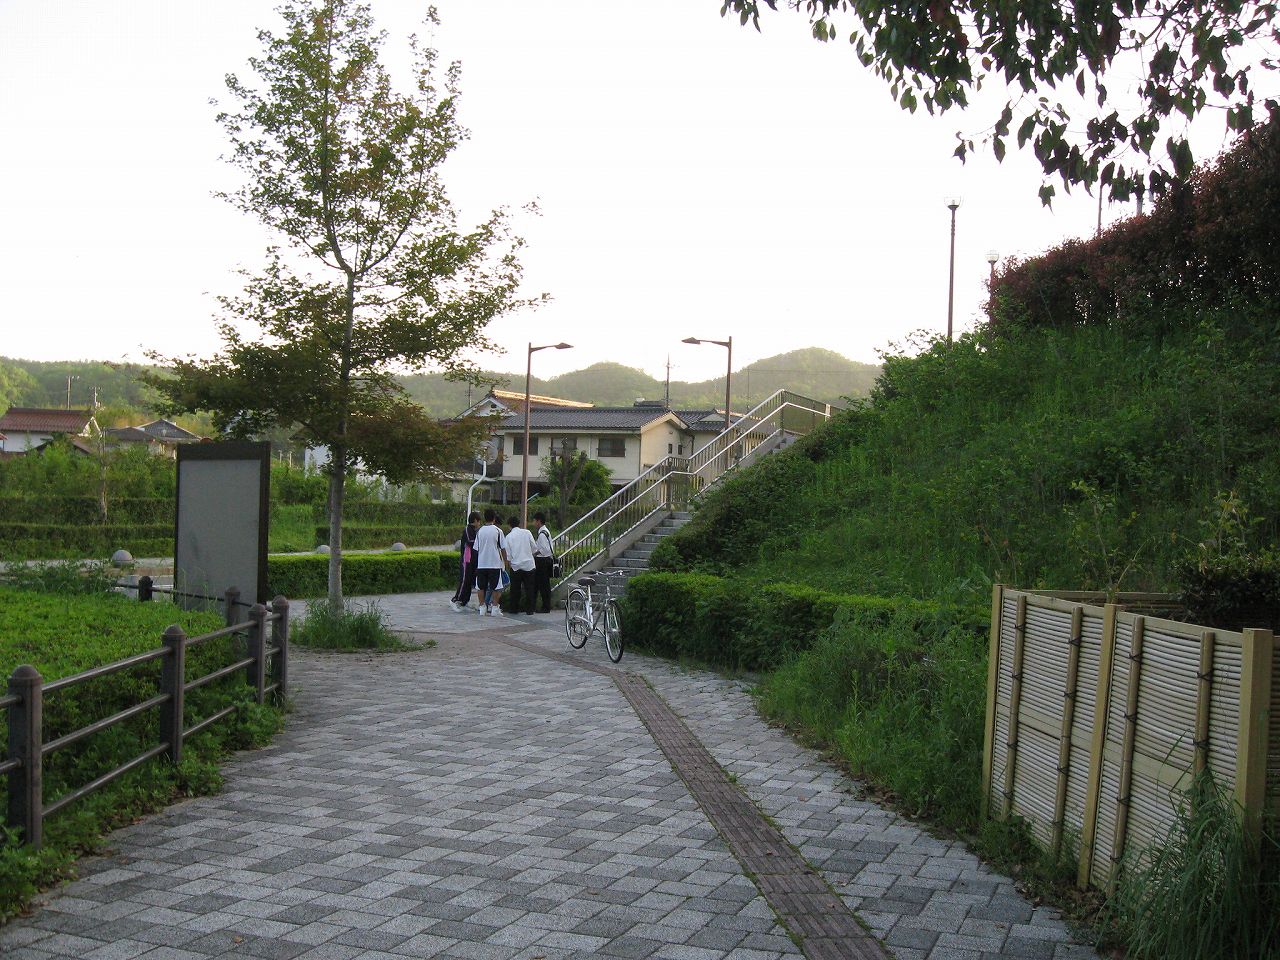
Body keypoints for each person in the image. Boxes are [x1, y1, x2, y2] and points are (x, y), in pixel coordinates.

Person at [473, 509, 507, 616]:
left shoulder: (480, 531)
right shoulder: (498, 531)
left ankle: (482, 607)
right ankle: (495, 608)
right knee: (496, 587)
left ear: (484, 518)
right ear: (494, 518)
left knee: (480, 587)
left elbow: (476, 549)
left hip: (482, 563)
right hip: (495, 564)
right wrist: (505, 561)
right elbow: (503, 548)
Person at [504, 515, 537, 615]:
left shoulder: (508, 537)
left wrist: (509, 563)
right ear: (519, 524)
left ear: (509, 525)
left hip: (516, 566)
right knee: (529, 589)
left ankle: (514, 609)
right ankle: (530, 609)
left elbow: (508, 555)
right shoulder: (527, 532)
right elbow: (534, 548)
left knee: (515, 589)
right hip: (529, 565)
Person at [450, 511, 481, 612]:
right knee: (464, 580)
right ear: (475, 520)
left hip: (472, 560)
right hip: (466, 560)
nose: (479, 524)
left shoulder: (474, 531)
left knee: (469, 581)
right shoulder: (468, 529)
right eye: (479, 521)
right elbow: (470, 542)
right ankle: (456, 600)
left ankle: (464, 601)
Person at [531, 511, 555, 614]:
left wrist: (535, 553)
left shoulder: (542, 534)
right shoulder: (545, 531)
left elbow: (544, 549)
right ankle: (543, 606)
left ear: (539, 521)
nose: (533, 523)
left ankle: (545, 607)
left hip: (542, 561)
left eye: (534, 521)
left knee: (543, 585)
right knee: (542, 584)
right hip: (546, 560)